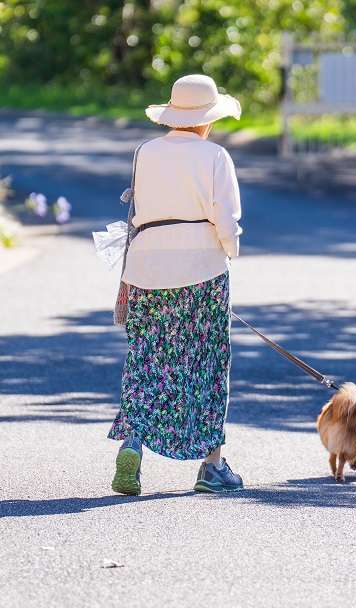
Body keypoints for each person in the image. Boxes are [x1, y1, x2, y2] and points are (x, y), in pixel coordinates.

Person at [107, 74, 245, 496]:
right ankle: (212, 466)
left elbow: (138, 211)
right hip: (201, 269)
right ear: (208, 119)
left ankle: (133, 443)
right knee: (207, 363)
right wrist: (229, 253)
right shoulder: (216, 156)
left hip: (146, 268)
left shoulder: (144, 152)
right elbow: (227, 221)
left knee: (147, 359)